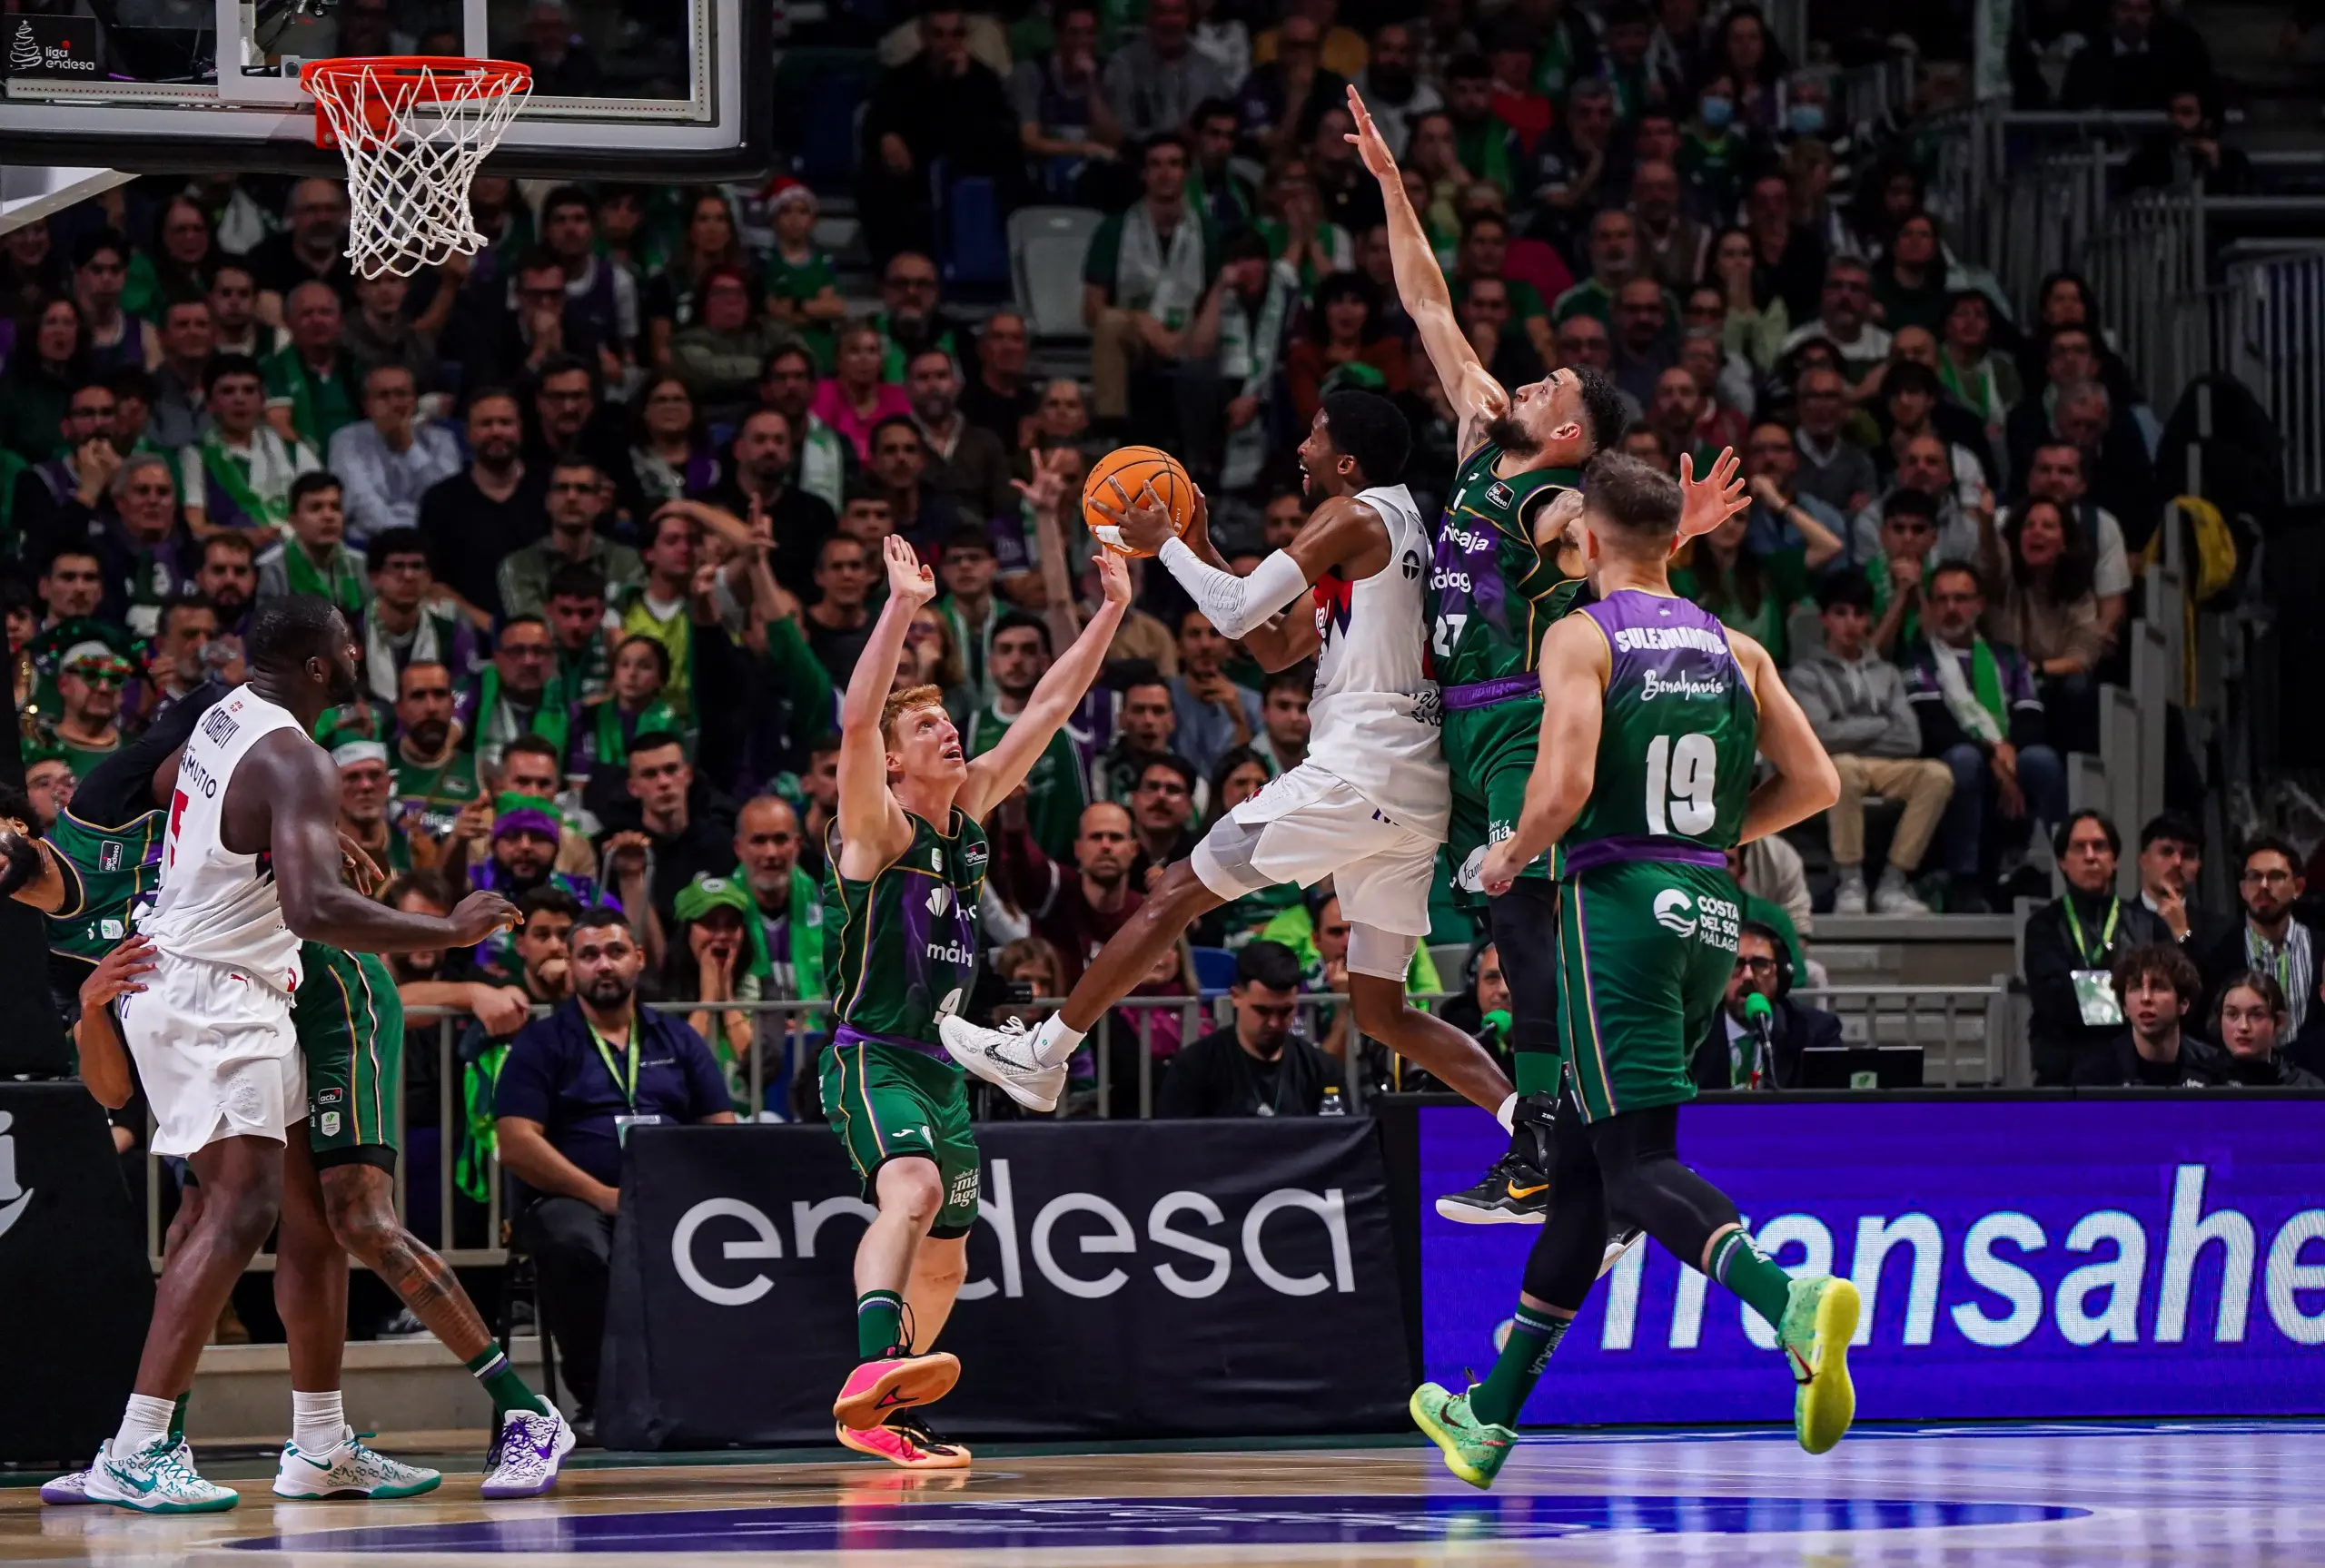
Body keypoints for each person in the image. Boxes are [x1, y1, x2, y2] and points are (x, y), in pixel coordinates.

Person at [1341, 85, 1738, 1226]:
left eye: (1546, 385)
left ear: (1567, 430)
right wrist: (1392, 184)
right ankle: (1556, 1146)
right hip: (1454, 725)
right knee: (1493, 931)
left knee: (1524, 928)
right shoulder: (1482, 436)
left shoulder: (1559, 502)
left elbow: (1608, 552)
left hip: (1519, 716)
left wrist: (1677, 530)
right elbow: (1427, 302)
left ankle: (1555, 1145)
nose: (1522, 379)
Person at [1420, 450, 1853, 1486]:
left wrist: (1507, 856)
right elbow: (1817, 783)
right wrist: (1705, 836)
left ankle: (1786, 1299)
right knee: (1581, 1178)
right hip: (1709, 908)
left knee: (1637, 1167)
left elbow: (1563, 785)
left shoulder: (1580, 636)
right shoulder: (1737, 645)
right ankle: (1488, 1417)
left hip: (1613, 909)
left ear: (1589, 538)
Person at [943, 390, 1520, 1139]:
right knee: (1383, 1010)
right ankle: (1532, 1122)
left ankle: (1043, 1053)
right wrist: (1205, 546)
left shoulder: (1349, 514)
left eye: (1315, 437)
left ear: (1348, 462)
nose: (1301, 449)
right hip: (1409, 790)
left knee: (1174, 890)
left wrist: (1166, 543)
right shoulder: (1396, 523)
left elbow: (1238, 611)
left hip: (1359, 772)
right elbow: (1274, 647)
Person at [65, 597, 527, 1511]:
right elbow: (314, 909)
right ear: (320, 666)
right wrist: (449, 928)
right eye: (348, 645)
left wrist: (291, 825)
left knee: (295, 1212)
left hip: (207, 981)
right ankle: (138, 1446)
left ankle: (319, 1444)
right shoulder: (298, 758)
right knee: (240, 1209)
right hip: (216, 993)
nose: (357, 654)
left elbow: (168, 782)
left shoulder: (226, 713)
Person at [821, 533, 1131, 1470]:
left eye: (947, 721)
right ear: (894, 763)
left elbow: (1050, 705)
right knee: (911, 1190)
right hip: (874, 1054)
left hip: (946, 1067)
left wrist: (1111, 610)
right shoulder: (877, 829)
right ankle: (870, 1372)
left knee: (949, 1254)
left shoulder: (968, 818)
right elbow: (856, 722)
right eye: (924, 728)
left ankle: (890, 1407)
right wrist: (901, 607)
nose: (946, 731)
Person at [493, 908, 736, 1429]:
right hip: (574, 1201)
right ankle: (604, 1399)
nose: (603, 965)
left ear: (639, 958)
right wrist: (602, 1195)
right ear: (571, 964)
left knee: (730, 1235)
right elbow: (515, 1142)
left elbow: (722, 1128)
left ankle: (708, 1393)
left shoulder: (678, 1039)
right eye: (589, 955)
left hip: (670, 1200)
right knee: (574, 1242)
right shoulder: (543, 1042)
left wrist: (687, 1193)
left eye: (615, 951)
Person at [1789, 575, 1948, 915]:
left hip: (1883, 766)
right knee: (1843, 768)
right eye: (1840, 613)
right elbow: (1818, 736)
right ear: (1825, 619)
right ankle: (1851, 883)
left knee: (1937, 774)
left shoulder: (1886, 673)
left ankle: (1893, 882)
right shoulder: (1806, 674)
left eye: (1859, 614)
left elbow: (1910, 739)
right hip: (1834, 766)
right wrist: (1880, 723)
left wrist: (1847, 728)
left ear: (1869, 620)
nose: (1850, 623)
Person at [2024, 810, 2171, 1084]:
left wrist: (2085, 989)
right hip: (2064, 1075)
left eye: (2100, 846)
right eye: (2079, 848)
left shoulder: (2149, 925)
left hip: (2136, 1074)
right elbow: (2054, 1001)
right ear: (2062, 862)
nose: (2090, 856)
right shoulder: (2043, 926)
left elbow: (2163, 999)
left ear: (2115, 860)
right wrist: (2128, 995)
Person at [1155, 941, 1341, 1115]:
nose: (1274, 1023)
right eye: (1262, 1011)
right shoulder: (1193, 1068)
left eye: (1285, 1011)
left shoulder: (1320, 1068)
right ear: (1236, 996)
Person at [1688, 921, 1840, 1090]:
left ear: (1781, 975)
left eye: (1760, 964)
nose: (1747, 976)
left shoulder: (1815, 1031)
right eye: (1735, 964)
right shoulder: (1688, 1032)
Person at [2198, 836, 2320, 1040]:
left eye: (2276, 876)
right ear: (2242, 889)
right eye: (2254, 877)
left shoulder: (2321, 949)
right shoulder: (2217, 953)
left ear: (2298, 887)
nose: (2263, 885)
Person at [2074, 942, 2224, 1086]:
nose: (2145, 998)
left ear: (2183, 1003)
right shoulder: (2095, 1074)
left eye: (2158, 987)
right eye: (2136, 988)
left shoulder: (2214, 1068)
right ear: (2125, 1007)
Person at [2135, 812, 2233, 952]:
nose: (2177, 862)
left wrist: (2182, 934)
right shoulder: (2118, 923)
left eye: (2188, 855)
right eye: (2167, 852)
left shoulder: (2220, 932)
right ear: (2143, 860)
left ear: (2199, 865)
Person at [2210, 971, 2324, 1088]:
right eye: (2232, 1014)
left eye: (2256, 1015)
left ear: (2278, 1022)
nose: (2244, 1026)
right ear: (2219, 1019)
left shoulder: (2308, 1087)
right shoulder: (2203, 1081)